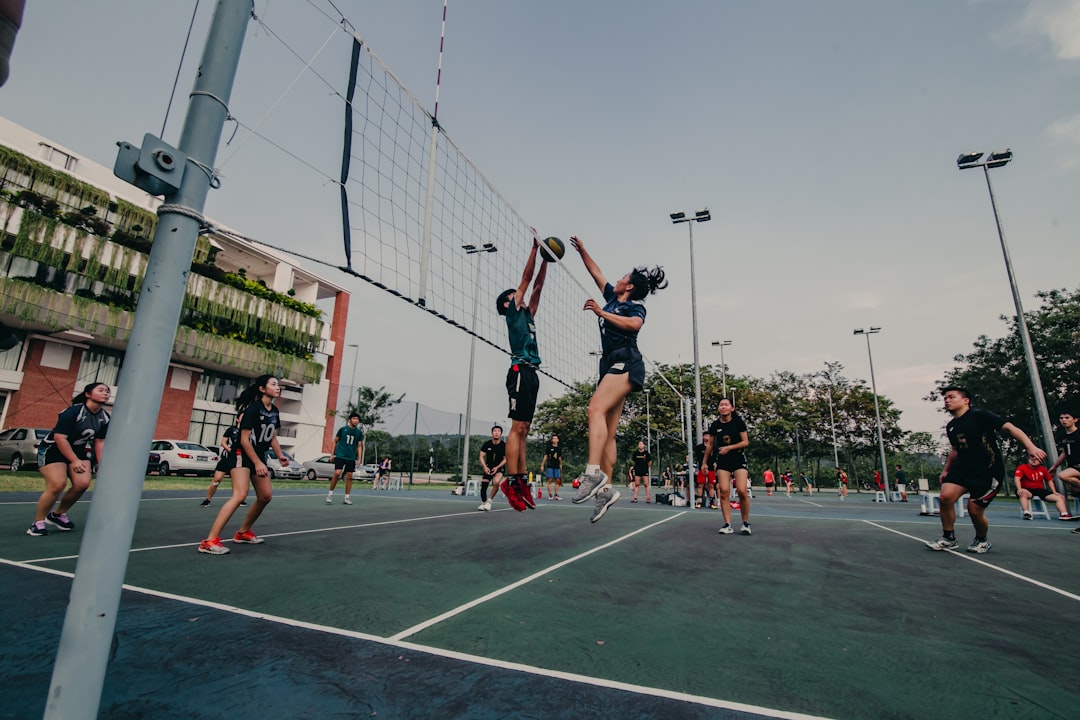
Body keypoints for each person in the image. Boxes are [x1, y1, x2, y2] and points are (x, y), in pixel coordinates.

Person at [569, 236, 667, 522]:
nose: (619, 278)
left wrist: (601, 313)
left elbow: (634, 325)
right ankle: (606, 490)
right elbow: (596, 272)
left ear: (631, 286)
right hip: (609, 362)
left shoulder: (634, 308)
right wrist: (584, 251)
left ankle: (591, 473)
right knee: (608, 431)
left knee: (594, 409)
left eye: (624, 276)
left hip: (627, 360)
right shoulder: (613, 297)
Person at [926, 386, 1046, 554]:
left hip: (987, 470)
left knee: (974, 510)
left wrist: (1030, 447)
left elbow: (1010, 428)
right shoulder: (952, 426)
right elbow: (955, 449)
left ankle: (981, 540)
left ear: (966, 400)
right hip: (963, 468)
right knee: (945, 497)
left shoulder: (980, 415)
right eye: (945, 398)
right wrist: (946, 470)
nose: (947, 400)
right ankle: (948, 538)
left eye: (951, 397)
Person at [198, 374, 290, 555]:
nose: (277, 387)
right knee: (240, 495)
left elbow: (272, 436)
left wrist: (280, 456)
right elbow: (244, 439)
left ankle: (242, 533)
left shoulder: (274, 411)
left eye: (278, 385)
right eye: (273, 384)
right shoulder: (253, 410)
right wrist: (256, 462)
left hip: (259, 455)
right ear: (262, 389)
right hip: (242, 453)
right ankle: (209, 541)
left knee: (265, 496)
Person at [494, 235, 548, 512]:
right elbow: (526, 280)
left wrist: (547, 261)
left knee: (525, 430)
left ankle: (522, 481)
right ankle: (510, 483)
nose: (522, 297)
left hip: (532, 373)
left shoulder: (528, 315)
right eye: (515, 296)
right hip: (518, 370)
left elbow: (537, 287)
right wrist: (535, 249)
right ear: (508, 304)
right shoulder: (513, 313)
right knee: (516, 429)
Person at [26, 382, 110, 536]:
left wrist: (101, 464)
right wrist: (74, 461)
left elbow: (100, 442)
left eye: (107, 391)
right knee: (58, 485)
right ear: (88, 394)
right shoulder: (73, 412)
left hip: (78, 450)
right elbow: (60, 438)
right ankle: (37, 523)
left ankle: (57, 515)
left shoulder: (104, 417)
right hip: (53, 449)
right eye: (101, 390)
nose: (106, 393)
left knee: (82, 484)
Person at [704, 398, 752, 535]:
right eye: (721, 405)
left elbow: (745, 442)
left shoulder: (738, 423)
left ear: (732, 408)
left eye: (726, 405)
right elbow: (710, 445)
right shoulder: (715, 425)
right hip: (723, 461)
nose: (723, 407)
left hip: (738, 458)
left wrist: (729, 448)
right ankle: (728, 524)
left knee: (742, 491)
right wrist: (704, 462)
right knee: (724, 491)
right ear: (718, 408)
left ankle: (745, 523)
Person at [1014, 452, 1073, 520]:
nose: (1033, 460)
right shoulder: (1022, 467)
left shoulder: (1043, 469)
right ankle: (1027, 513)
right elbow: (1017, 478)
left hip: (1040, 490)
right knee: (1022, 493)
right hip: (1027, 489)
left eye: (1036, 459)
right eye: (1032, 458)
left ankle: (1064, 514)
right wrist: (1019, 488)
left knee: (1059, 497)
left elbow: (1049, 481)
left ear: (1041, 461)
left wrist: (1054, 492)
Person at [201, 416, 242, 507]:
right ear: (237, 419)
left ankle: (239, 499)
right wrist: (230, 450)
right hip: (227, 457)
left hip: (238, 459)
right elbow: (223, 442)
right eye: (242, 417)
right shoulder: (231, 430)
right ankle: (207, 499)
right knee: (217, 479)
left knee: (237, 480)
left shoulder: (247, 431)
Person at [326, 412, 364, 505]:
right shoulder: (343, 429)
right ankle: (330, 494)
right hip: (340, 455)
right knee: (337, 473)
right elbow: (334, 441)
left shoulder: (359, 432)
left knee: (350, 476)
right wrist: (332, 454)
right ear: (350, 420)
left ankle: (347, 497)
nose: (356, 420)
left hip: (351, 457)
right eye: (354, 418)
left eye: (357, 419)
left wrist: (359, 458)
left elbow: (359, 446)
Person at [477, 425, 507, 511]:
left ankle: (489, 501)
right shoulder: (487, 444)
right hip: (488, 467)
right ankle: (484, 503)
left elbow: (506, 459)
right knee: (483, 488)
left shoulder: (504, 445)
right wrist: (485, 467)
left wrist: (497, 467)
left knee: (496, 482)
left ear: (501, 434)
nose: (496, 433)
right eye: (495, 431)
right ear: (492, 433)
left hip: (499, 468)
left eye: (498, 431)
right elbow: (481, 456)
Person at [540, 434, 564, 500]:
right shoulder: (549, 448)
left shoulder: (559, 448)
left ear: (558, 440)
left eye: (556, 438)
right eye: (554, 438)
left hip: (557, 466)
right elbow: (546, 456)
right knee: (550, 480)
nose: (555, 440)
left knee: (557, 480)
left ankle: (556, 495)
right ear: (552, 440)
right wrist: (542, 465)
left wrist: (561, 465)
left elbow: (559, 457)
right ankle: (550, 495)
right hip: (550, 466)